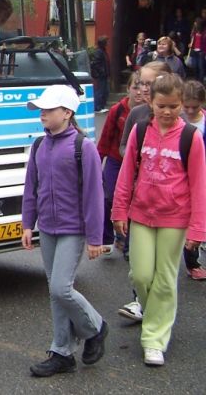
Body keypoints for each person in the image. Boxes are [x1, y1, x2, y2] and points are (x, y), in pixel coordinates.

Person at [111, 73, 206, 366]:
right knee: (140, 275)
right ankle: (154, 314)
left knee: (165, 279)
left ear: (181, 104)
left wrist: (198, 229)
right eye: (161, 106)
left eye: (174, 106)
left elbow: (199, 185)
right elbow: (126, 173)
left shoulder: (191, 137)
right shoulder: (140, 131)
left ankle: (154, 339)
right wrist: (118, 211)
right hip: (141, 213)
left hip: (175, 217)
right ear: (150, 103)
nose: (167, 112)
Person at [21, 84, 107, 377]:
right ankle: (61, 351)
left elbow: (94, 195)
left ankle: (96, 327)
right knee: (55, 292)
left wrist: (95, 237)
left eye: (49, 109)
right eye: (41, 109)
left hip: (73, 229)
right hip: (47, 228)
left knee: (61, 288)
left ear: (67, 113)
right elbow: (31, 188)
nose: (42, 114)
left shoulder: (83, 147)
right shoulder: (39, 146)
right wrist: (27, 224)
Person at [97, 71, 143, 255]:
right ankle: (107, 237)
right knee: (108, 196)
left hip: (138, 163)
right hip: (116, 159)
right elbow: (105, 139)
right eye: (135, 87)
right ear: (128, 89)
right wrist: (96, 164)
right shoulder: (117, 110)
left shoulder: (149, 111)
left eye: (142, 87)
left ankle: (128, 244)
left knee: (134, 201)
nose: (139, 92)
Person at [180, 79, 206, 280]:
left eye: (194, 107)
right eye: (186, 106)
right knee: (188, 220)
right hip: (182, 177)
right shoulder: (177, 122)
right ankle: (192, 262)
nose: (189, 111)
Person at [91, 36, 110, 112]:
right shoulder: (99, 52)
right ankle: (97, 107)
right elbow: (96, 63)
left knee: (104, 91)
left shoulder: (103, 51)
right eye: (106, 42)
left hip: (104, 74)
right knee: (100, 91)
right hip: (101, 75)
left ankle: (101, 106)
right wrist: (101, 71)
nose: (107, 43)